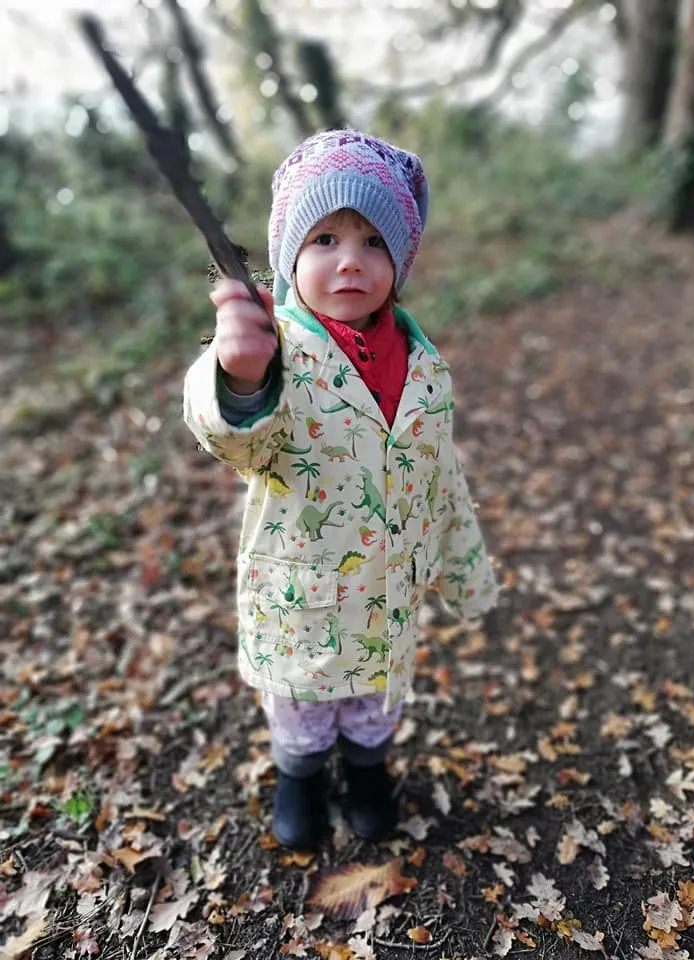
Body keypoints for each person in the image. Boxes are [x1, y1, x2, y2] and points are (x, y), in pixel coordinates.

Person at [184, 130, 498, 850]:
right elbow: (239, 438)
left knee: (372, 700)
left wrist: (463, 569)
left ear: (400, 263)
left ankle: (367, 771)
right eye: (324, 238)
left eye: (372, 243)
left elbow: (440, 478)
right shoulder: (276, 351)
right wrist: (238, 377)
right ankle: (298, 775)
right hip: (301, 590)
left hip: (386, 591)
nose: (350, 260)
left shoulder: (423, 364)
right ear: (289, 257)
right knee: (299, 702)